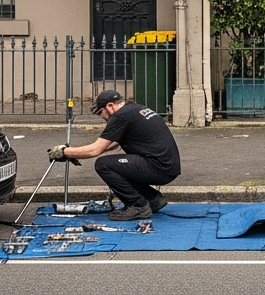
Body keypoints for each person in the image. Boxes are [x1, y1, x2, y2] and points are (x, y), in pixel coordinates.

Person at [49, 89, 182, 221]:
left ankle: (138, 206)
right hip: (168, 166)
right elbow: (112, 145)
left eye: (101, 112)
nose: (102, 117)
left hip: (158, 168)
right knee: (119, 164)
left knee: (104, 165)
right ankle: (152, 199)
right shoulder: (135, 109)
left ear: (110, 106)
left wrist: (63, 151)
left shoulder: (120, 117)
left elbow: (94, 150)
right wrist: (75, 153)